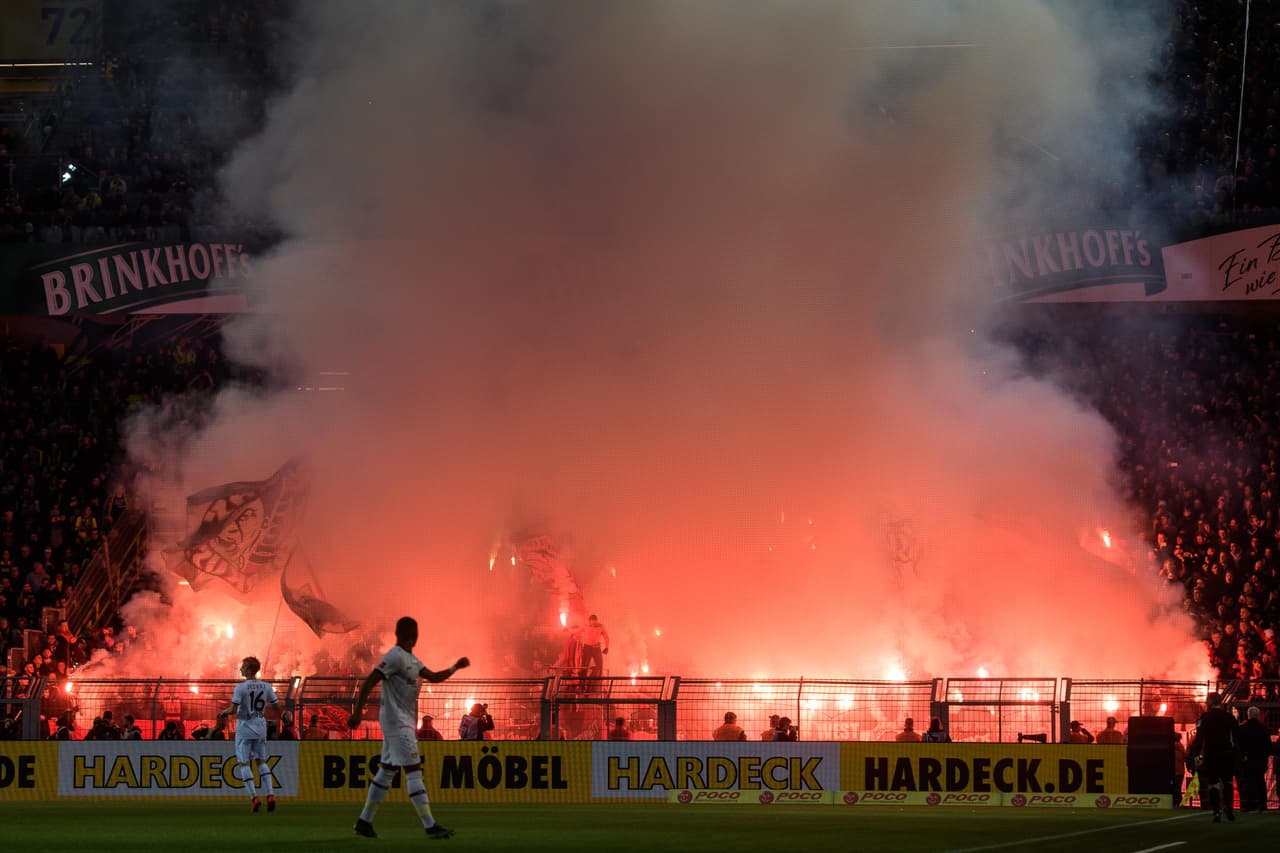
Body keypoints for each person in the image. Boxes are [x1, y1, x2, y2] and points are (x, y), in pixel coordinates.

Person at [347, 616, 469, 840]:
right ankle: (430, 825)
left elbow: (432, 677)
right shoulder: (394, 656)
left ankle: (364, 821)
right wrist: (357, 712)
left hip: (404, 722)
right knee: (413, 770)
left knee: (386, 771)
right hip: (397, 723)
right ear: (413, 635)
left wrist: (454, 667)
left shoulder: (411, 659)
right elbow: (370, 681)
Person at [217, 655, 282, 814]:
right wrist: (261, 707)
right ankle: (271, 794)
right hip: (260, 727)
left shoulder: (241, 688)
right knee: (261, 761)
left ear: (249, 669)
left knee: (244, 764)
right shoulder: (266, 686)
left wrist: (222, 713)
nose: (240, 668)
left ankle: (254, 798)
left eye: (243, 666)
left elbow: (232, 710)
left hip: (245, 729)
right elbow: (276, 706)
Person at [1187, 692, 1238, 823]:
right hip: (1226, 754)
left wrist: (1195, 754)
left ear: (1210, 702)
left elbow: (1199, 738)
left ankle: (1216, 811)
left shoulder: (1204, 718)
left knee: (1212, 784)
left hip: (1211, 755)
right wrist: (1237, 752)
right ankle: (1228, 806)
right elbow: (1237, 737)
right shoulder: (1229, 717)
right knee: (1227, 782)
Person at [1237, 706, 1271, 812]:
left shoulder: (1243, 727)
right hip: (1260, 759)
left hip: (1248, 759)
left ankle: (1249, 804)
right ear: (1258, 715)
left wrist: (1243, 756)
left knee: (1248, 782)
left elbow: (1240, 744)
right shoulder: (1264, 728)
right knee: (1260, 781)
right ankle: (1262, 804)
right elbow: (1268, 746)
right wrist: (1265, 757)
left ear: (1248, 715)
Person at [578, 614, 609, 678]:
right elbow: (577, 630)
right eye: (592, 622)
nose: (594, 624)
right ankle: (582, 683)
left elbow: (606, 637)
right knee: (584, 666)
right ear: (589, 621)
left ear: (597, 621)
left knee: (600, 666)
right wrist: (567, 629)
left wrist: (607, 647)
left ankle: (596, 681)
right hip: (587, 647)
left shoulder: (600, 627)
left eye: (595, 622)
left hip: (596, 648)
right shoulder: (585, 626)